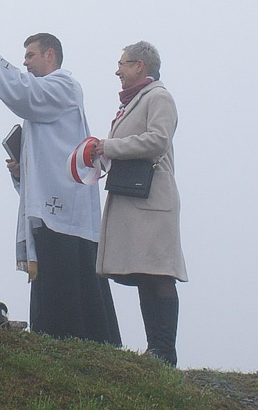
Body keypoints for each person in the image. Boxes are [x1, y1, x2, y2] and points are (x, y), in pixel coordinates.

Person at [0, 22, 121, 345]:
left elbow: (24, 94)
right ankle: (53, 340)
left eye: (30, 55)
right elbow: (46, 159)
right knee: (52, 280)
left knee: (69, 279)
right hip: (54, 205)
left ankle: (77, 342)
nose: (25, 62)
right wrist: (21, 173)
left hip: (67, 209)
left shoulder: (64, 87)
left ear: (50, 55)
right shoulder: (44, 103)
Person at [94, 41, 187, 366]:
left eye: (122, 63)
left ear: (140, 66)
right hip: (138, 200)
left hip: (154, 200)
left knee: (160, 274)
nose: (117, 70)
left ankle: (165, 351)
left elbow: (158, 139)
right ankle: (156, 350)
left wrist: (110, 146)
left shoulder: (158, 97)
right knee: (147, 275)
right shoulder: (135, 102)